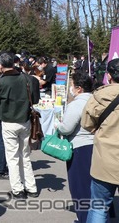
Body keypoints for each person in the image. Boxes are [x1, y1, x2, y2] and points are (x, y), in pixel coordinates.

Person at [0, 52, 39, 199]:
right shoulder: (26, 79)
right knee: (25, 156)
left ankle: (18, 190)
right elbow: (34, 99)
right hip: (25, 120)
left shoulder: (2, 82)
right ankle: (31, 187)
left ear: (0, 65)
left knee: (13, 157)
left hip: (9, 122)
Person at [81, 57, 119, 222]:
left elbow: (87, 124)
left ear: (109, 75)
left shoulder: (100, 95)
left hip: (105, 158)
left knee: (99, 207)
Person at [55, 72, 94, 223]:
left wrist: (57, 125)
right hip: (98, 146)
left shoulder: (77, 104)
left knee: (80, 187)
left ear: (79, 88)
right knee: (97, 186)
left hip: (81, 147)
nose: (71, 88)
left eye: (72, 85)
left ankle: (84, 218)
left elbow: (67, 128)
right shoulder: (96, 100)